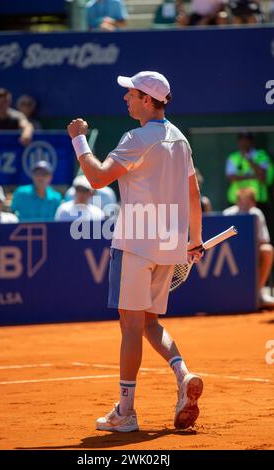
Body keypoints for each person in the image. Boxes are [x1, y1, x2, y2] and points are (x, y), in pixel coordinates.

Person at [67, 71, 204, 431]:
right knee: (149, 322)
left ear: (147, 99)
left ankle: (126, 413)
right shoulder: (180, 140)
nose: (125, 98)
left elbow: (96, 178)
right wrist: (194, 240)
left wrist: (79, 141)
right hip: (169, 246)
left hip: (135, 243)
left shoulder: (137, 138)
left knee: (130, 327)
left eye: (130, 94)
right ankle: (183, 375)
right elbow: (193, 195)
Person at [223, 188, 274, 308]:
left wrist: (248, 250)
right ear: (237, 201)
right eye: (241, 200)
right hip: (230, 255)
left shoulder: (257, 214)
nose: (244, 204)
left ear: (253, 202)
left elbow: (264, 240)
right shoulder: (228, 214)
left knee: (267, 250)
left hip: (252, 253)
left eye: (247, 201)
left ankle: (256, 293)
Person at [225, 132, 273, 212]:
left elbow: (262, 176)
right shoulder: (233, 157)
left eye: (246, 140)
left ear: (251, 142)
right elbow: (231, 177)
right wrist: (252, 176)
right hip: (237, 200)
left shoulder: (261, 156)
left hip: (257, 200)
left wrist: (248, 159)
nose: (243, 143)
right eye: (241, 140)